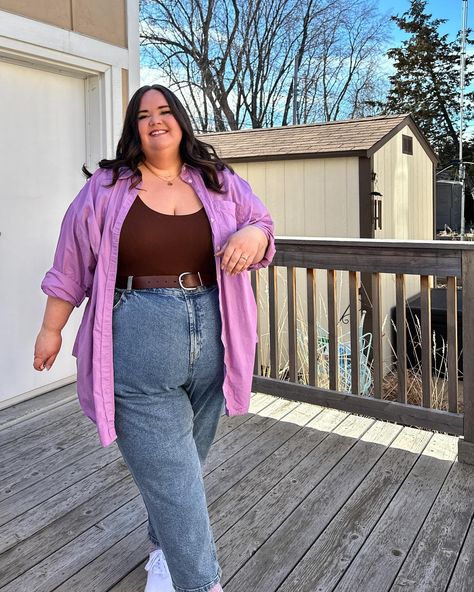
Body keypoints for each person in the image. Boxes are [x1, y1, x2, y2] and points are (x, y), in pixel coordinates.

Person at [33, 84, 275, 592]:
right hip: (139, 337)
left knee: (181, 467)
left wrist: (253, 235)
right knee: (175, 477)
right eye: (144, 116)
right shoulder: (105, 187)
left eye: (165, 111)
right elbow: (70, 263)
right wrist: (51, 328)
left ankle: (164, 552)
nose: (156, 121)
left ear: (181, 121)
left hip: (215, 334)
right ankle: (200, 582)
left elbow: (262, 225)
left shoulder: (218, 180)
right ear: (134, 129)